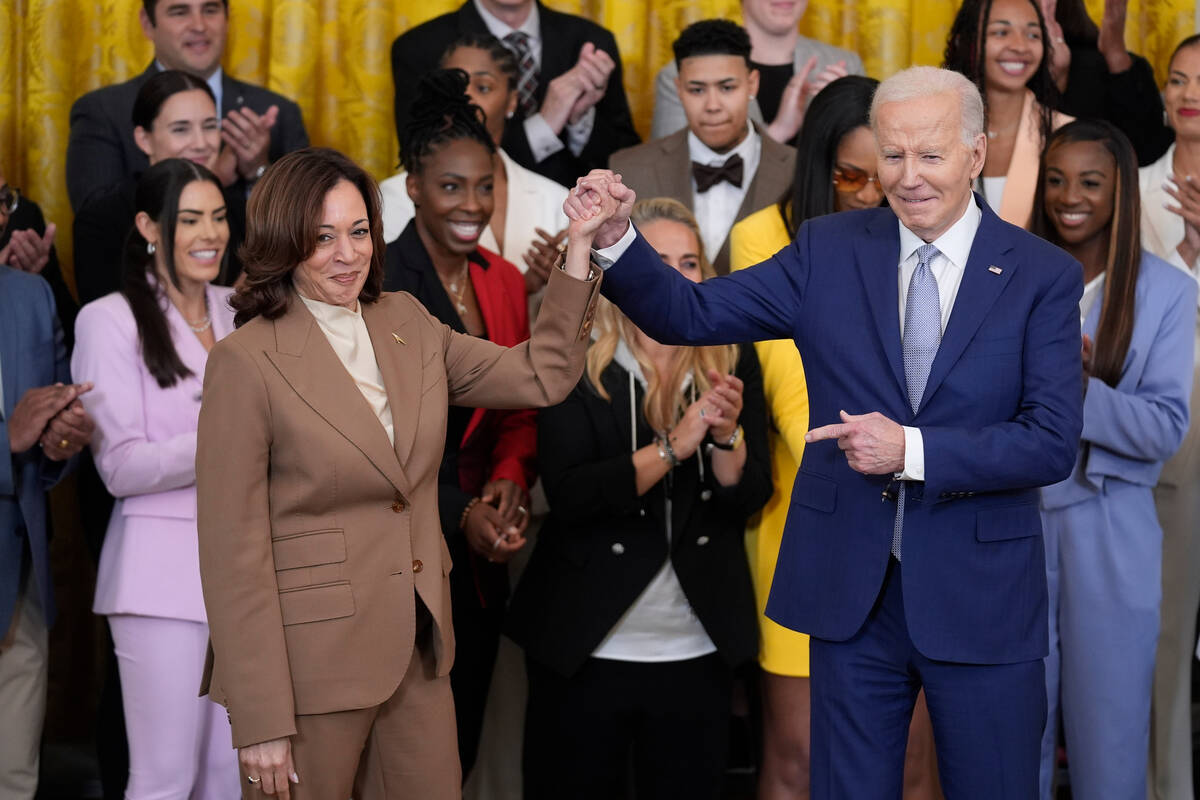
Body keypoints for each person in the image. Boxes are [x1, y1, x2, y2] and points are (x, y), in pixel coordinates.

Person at [571, 65, 1084, 798]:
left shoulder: (1043, 276)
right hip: (853, 593)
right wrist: (618, 239)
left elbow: (1051, 441)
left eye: (931, 155)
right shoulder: (827, 249)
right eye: (893, 154)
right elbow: (690, 314)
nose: (907, 177)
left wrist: (907, 450)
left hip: (982, 598)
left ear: (977, 152)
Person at [194, 146, 604, 799]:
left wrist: (580, 246)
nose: (347, 254)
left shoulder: (407, 321)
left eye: (358, 232)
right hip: (310, 671)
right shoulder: (245, 362)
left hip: (418, 649)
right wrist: (261, 716)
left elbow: (542, 373)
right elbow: (231, 555)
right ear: (284, 239)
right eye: (322, 237)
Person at [507, 196, 770, 799]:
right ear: (623, 269)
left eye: (691, 262)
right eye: (658, 261)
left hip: (696, 647)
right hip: (583, 642)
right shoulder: (574, 356)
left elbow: (747, 498)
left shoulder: (733, 354)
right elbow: (570, 494)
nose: (676, 277)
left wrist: (727, 436)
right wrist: (675, 446)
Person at [730, 75, 941, 800]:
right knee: (797, 762)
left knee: (914, 767)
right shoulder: (764, 237)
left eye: (878, 171)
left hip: (916, 533)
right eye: (848, 174)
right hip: (805, 532)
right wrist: (895, 433)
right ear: (817, 166)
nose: (867, 192)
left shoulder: (927, 237)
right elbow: (798, 406)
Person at [1030, 119, 1195, 800]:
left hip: (1114, 522)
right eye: (1057, 180)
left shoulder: (1167, 291)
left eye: (1091, 182)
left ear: (1120, 191)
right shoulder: (1010, 275)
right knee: (1016, 731)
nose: (1071, 197)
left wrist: (1078, 390)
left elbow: (1164, 427)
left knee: (1111, 738)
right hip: (1017, 520)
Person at [382, 68, 537, 777]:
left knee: (462, 743)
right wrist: (464, 510)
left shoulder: (500, 278)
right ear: (412, 187)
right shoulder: (377, 285)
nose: (472, 204)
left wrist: (507, 482)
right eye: (451, 186)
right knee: (401, 757)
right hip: (397, 553)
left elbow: (517, 405)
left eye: (485, 186)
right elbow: (375, 445)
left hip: (479, 562)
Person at [71, 158, 240, 800]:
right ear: (148, 226)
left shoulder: (238, 310)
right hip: (157, 578)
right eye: (190, 219)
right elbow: (119, 466)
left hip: (242, 572)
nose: (210, 234)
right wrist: (225, 439)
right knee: (166, 776)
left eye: (219, 217)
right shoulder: (108, 319)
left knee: (231, 775)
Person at [66, 0, 308, 212]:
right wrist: (214, 179)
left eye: (210, 9)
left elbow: (307, 226)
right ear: (148, 23)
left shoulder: (276, 111)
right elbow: (95, 221)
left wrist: (259, 172)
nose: (199, 26)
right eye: (180, 12)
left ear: (227, 18)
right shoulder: (103, 111)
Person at [380, 33, 568, 299]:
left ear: (512, 100)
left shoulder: (558, 200)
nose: (467, 99)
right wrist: (520, 287)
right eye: (456, 86)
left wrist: (567, 284)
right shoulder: (393, 196)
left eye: (483, 87)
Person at [0, 269, 93, 799]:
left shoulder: (30, 295)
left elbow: (49, 432)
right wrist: (8, 440)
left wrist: (62, 440)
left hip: (21, 579)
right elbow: (16, 434)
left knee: (16, 777)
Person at [1138, 33, 1200, 800]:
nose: (1189, 94)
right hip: (1168, 445)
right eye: (1179, 80)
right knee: (1162, 641)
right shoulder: (1134, 187)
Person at [609, 20, 795, 275]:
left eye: (727, 87)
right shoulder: (627, 170)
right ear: (679, 90)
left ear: (753, 84)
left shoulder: (800, 170)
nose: (712, 105)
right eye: (697, 90)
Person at [390, 0, 640, 188]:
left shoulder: (592, 41)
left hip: (575, 224)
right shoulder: (420, 48)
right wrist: (544, 125)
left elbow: (628, 159)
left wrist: (580, 122)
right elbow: (422, 160)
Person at [74, 70, 247, 305]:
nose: (201, 144)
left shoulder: (237, 210)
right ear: (144, 139)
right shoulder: (103, 218)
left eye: (209, 126)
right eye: (181, 129)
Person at [650, 0, 864, 144]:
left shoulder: (846, 64)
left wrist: (845, 112)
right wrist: (777, 132)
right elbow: (670, 170)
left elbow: (867, 161)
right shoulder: (681, 74)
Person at [944, 0, 1071, 228]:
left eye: (1033, 35)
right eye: (1001, 32)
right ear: (965, 41)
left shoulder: (1064, 134)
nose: (1020, 46)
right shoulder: (934, 128)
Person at [1038, 0, 1173, 166]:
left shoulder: (1115, 68)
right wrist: (1055, 80)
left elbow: (1146, 152)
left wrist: (1115, 53)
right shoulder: (1011, 73)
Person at [0, 169, 77, 346]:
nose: (1, 219)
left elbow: (72, 341)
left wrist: (36, 280)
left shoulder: (22, 221)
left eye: (3, 196)